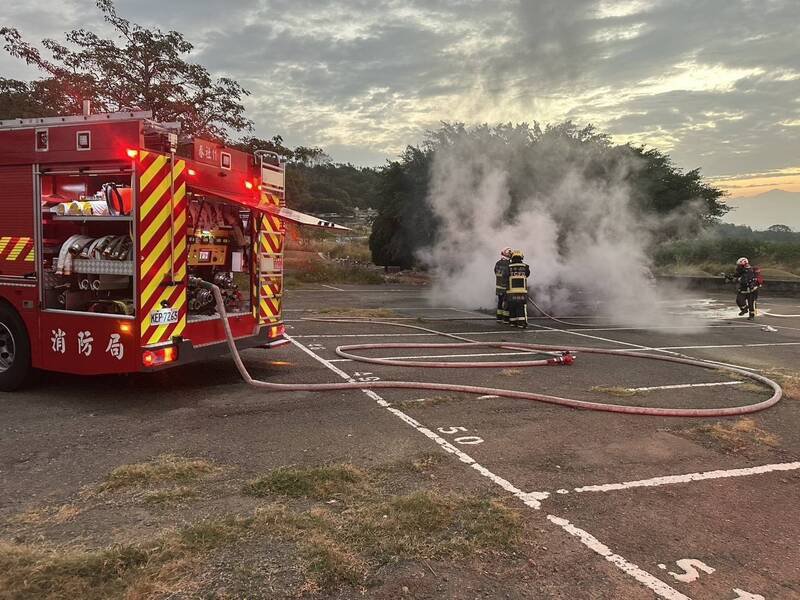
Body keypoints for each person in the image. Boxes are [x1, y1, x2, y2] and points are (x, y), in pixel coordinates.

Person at [506, 250, 530, 328]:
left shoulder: (508, 267)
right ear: (521, 257)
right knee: (521, 306)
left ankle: (513, 322)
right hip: (522, 291)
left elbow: (505, 277)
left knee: (512, 306)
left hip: (511, 291)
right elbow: (527, 274)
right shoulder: (525, 266)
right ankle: (521, 323)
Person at [494, 247, 512, 322]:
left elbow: (495, 272)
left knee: (500, 301)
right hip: (505, 287)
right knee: (506, 302)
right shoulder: (508, 264)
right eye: (510, 253)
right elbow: (509, 274)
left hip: (498, 287)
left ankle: (499, 318)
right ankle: (506, 319)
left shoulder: (497, 263)